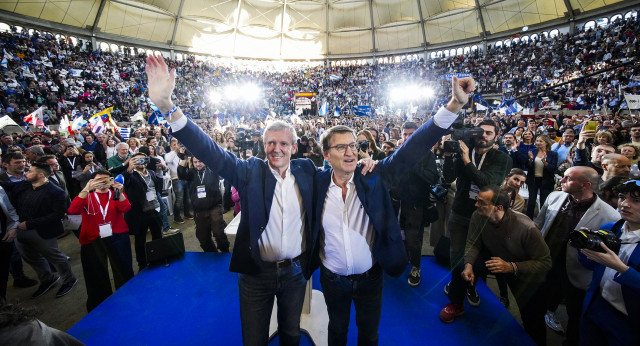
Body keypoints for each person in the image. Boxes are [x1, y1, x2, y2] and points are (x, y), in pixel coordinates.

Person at [147, 54, 320, 345]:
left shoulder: (307, 170)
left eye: (283, 143)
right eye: (270, 143)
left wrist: (368, 163)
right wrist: (167, 106)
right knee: (253, 339)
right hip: (256, 275)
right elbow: (210, 150)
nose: (276, 149)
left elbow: (342, 173)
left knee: (291, 334)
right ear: (263, 145)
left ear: (294, 146)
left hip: (295, 274)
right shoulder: (249, 171)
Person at [312, 77, 471, 344]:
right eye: (341, 147)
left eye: (353, 145)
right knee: (337, 331)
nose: (351, 152)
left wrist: (454, 104)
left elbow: (413, 148)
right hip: (331, 279)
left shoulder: (374, 175)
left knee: (369, 334)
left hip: (371, 278)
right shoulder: (314, 182)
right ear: (326, 155)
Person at [535, 166, 619, 345]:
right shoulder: (554, 196)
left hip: (576, 271)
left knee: (575, 314)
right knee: (537, 303)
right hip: (546, 262)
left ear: (585, 185)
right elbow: (539, 224)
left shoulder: (609, 215)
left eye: (567, 178)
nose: (562, 180)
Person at [440, 118, 513, 323]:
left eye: (489, 133)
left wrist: (466, 160)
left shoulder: (502, 158)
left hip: (484, 217)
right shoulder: (464, 148)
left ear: (496, 136)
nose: (484, 136)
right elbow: (447, 177)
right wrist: (447, 155)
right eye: (481, 132)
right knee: (457, 256)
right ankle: (456, 301)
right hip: (461, 212)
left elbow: (486, 184)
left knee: (478, 260)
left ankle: (469, 287)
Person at [462, 185, 551, 345]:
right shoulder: (478, 216)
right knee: (468, 264)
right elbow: (473, 242)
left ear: (498, 207)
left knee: (532, 320)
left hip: (529, 277)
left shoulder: (527, 228)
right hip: (502, 263)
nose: (476, 205)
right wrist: (468, 265)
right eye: (477, 200)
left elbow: (545, 262)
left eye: (481, 202)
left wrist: (511, 267)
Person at [0, 162, 77, 298]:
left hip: (43, 232)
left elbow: (56, 215)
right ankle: (48, 279)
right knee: (32, 258)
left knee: (56, 257)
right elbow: (7, 186)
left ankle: (69, 279)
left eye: (30, 171)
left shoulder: (55, 192)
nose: (26, 173)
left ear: (41, 175)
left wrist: (29, 224)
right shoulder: (25, 185)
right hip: (21, 231)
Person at [579, 180, 640, 345]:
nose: (625, 204)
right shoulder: (610, 229)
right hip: (597, 307)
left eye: (636, 200)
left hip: (629, 322)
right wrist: (584, 246)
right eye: (622, 197)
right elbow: (590, 265)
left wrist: (621, 268)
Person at [67, 170, 134, 312]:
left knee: (123, 267)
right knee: (95, 271)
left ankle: (127, 297)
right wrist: (86, 189)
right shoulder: (87, 196)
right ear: (91, 182)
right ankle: (101, 304)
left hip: (117, 234)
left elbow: (126, 208)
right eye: (99, 181)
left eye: (106, 180)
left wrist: (120, 193)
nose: (103, 184)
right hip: (93, 237)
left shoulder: (114, 194)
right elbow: (73, 210)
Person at [389, 121, 439, 287]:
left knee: (412, 237)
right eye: (405, 134)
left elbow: (432, 178)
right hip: (397, 202)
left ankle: (416, 267)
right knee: (399, 235)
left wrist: (413, 165)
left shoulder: (427, 154)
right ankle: (403, 260)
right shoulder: (398, 152)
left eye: (411, 134)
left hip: (416, 203)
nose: (407, 137)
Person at [177, 156, 229, 253]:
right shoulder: (191, 173)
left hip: (214, 206)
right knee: (202, 237)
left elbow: (222, 164)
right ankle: (212, 254)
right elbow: (181, 174)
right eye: (195, 162)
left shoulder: (212, 170)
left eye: (200, 161)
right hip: (199, 209)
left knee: (218, 232)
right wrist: (184, 158)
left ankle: (225, 252)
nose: (197, 164)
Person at [122, 152, 164, 271]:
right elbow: (124, 181)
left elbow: (157, 187)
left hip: (154, 209)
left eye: (142, 159)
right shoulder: (130, 175)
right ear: (132, 162)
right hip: (139, 213)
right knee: (140, 240)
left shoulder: (151, 172)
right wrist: (129, 169)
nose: (140, 162)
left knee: (157, 235)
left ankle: (158, 257)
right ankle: (142, 263)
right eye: (136, 160)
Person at [525, 135, 558, 218]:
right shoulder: (532, 151)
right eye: (537, 141)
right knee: (531, 201)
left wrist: (544, 162)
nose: (538, 143)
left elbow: (553, 168)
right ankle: (529, 219)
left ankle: (542, 220)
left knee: (544, 202)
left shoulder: (553, 154)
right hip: (533, 180)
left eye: (541, 141)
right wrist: (531, 160)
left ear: (546, 143)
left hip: (546, 181)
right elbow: (527, 166)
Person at [0, 186, 19, 299]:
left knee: (3, 273)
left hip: (3, 239)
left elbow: (10, 210)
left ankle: (2, 301)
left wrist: (13, 227)